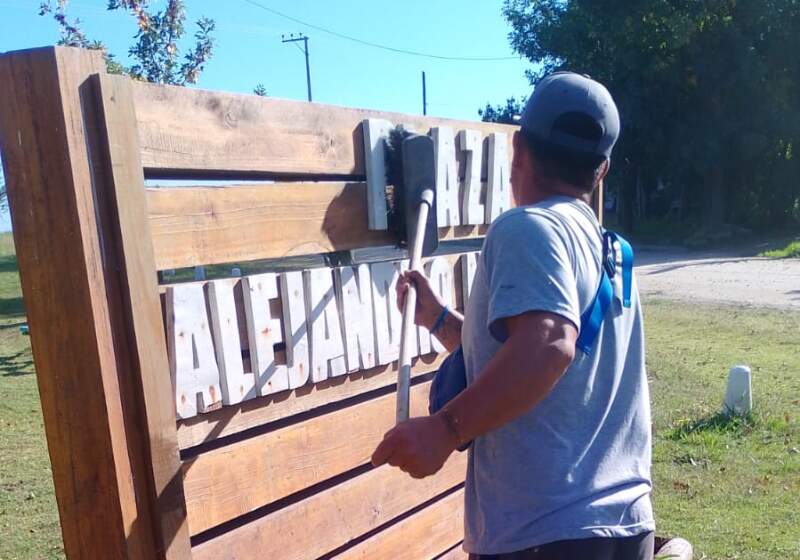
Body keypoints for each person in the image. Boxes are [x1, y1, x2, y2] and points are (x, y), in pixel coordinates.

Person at [371, 72, 655, 560]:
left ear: (518, 149)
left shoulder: (527, 227)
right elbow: (531, 356)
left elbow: (547, 346)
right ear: (601, 170)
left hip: (546, 537)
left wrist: (445, 429)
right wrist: (438, 319)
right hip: (624, 527)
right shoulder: (609, 249)